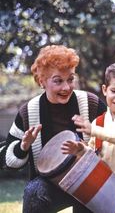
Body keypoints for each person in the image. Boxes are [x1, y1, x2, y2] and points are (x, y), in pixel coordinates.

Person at [0, 45, 106, 213]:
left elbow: (113, 136)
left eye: (70, 79)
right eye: (58, 81)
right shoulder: (28, 112)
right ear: (42, 81)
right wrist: (23, 146)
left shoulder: (90, 103)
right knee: (34, 192)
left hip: (88, 178)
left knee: (89, 197)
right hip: (49, 184)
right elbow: (7, 160)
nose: (66, 87)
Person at [61, 62, 115, 203]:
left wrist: (94, 130)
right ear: (105, 89)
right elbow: (95, 153)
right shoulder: (98, 122)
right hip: (105, 187)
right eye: (114, 91)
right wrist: (81, 149)